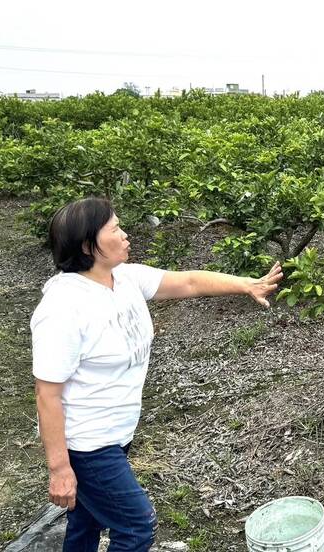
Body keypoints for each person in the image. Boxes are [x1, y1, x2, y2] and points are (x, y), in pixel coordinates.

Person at [31, 197, 283, 552]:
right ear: (89, 245)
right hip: (87, 443)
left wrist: (247, 284)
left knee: (87, 519)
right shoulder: (63, 309)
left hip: (115, 433)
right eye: (115, 229)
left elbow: (191, 282)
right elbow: (47, 394)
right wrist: (59, 468)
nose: (125, 234)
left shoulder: (124, 279)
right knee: (136, 527)